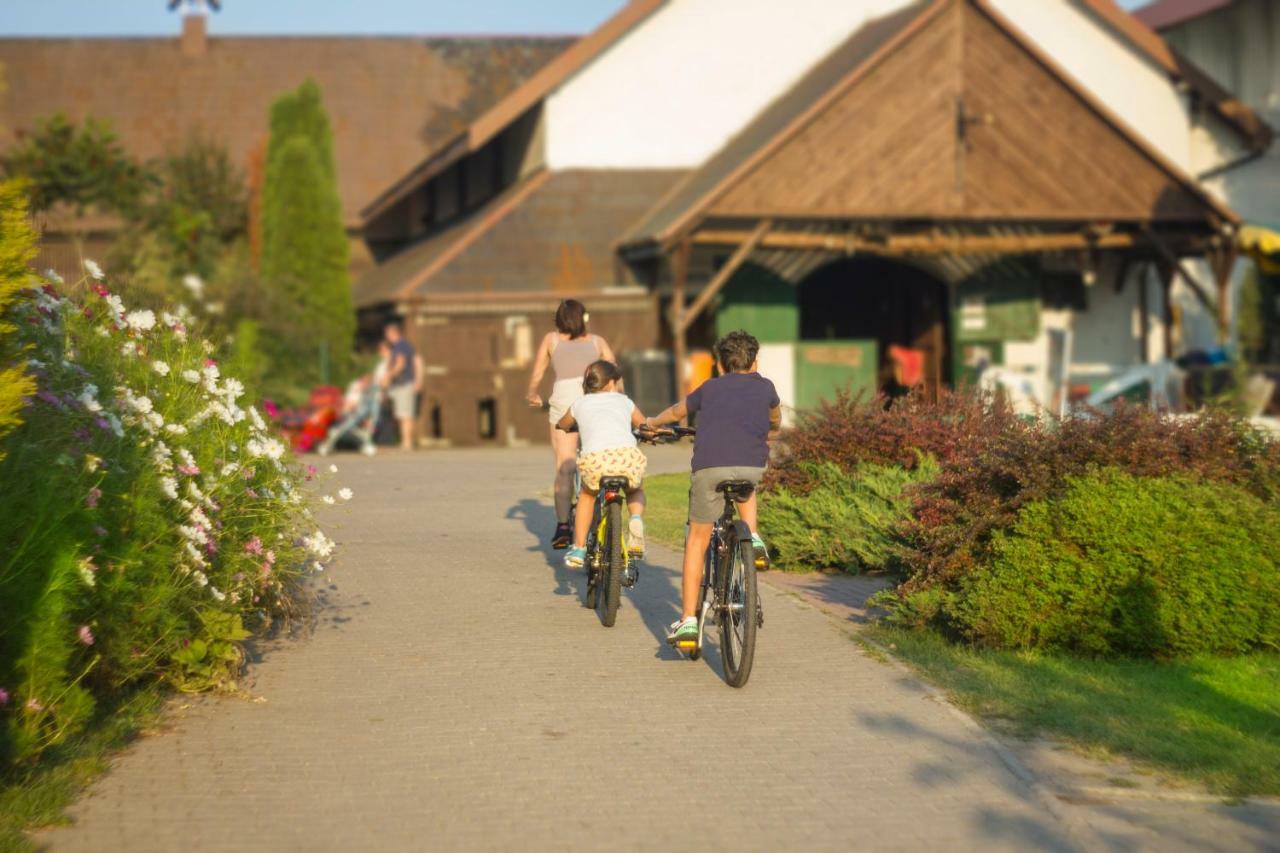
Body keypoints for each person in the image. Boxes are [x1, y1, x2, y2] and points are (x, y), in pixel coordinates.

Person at [645, 330, 781, 645]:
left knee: (697, 539)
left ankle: (688, 620)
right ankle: (754, 537)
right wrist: (770, 430)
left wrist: (653, 422)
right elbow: (775, 419)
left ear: (719, 365)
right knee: (747, 487)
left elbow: (678, 412)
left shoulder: (709, 388)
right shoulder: (767, 387)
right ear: (756, 361)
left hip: (709, 468)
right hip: (752, 467)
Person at [525, 299, 617, 549]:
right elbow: (615, 374)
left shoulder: (551, 340)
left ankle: (563, 525)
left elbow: (538, 371)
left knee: (565, 467)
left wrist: (533, 392)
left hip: (564, 405)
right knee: (601, 457)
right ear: (583, 318)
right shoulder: (597, 342)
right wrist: (620, 402)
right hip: (596, 403)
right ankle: (603, 508)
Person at [555, 360, 649, 568]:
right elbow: (643, 424)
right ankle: (635, 519)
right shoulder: (624, 401)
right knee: (634, 490)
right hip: (627, 457)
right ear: (610, 383)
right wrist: (652, 432)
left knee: (587, 496)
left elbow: (563, 423)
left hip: (596, 460)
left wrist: (562, 425)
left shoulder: (580, 403)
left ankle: (579, 548)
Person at [317, 342, 390, 456]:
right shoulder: (385, 365)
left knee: (367, 422)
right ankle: (337, 434)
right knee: (362, 420)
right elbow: (382, 382)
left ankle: (365, 443)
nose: (381, 353)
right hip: (373, 396)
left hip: (374, 395)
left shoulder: (385, 364)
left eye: (382, 350)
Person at [383, 322, 417, 450]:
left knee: (405, 414)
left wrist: (388, 376)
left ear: (393, 333)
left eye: (387, 333)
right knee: (402, 413)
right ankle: (405, 441)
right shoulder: (401, 346)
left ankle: (407, 442)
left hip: (403, 383)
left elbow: (400, 364)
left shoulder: (401, 346)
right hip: (400, 384)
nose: (386, 336)